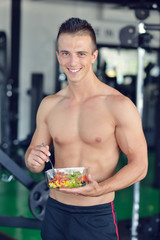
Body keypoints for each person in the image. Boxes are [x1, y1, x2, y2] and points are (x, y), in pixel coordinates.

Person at [25, 17, 148, 240]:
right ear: (58, 56)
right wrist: (32, 160)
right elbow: (33, 158)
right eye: (65, 53)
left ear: (94, 56)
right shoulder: (49, 105)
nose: (73, 62)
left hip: (95, 215)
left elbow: (140, 165)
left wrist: (100, 189)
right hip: (55, 212)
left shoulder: (118, 105)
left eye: (81, 53)